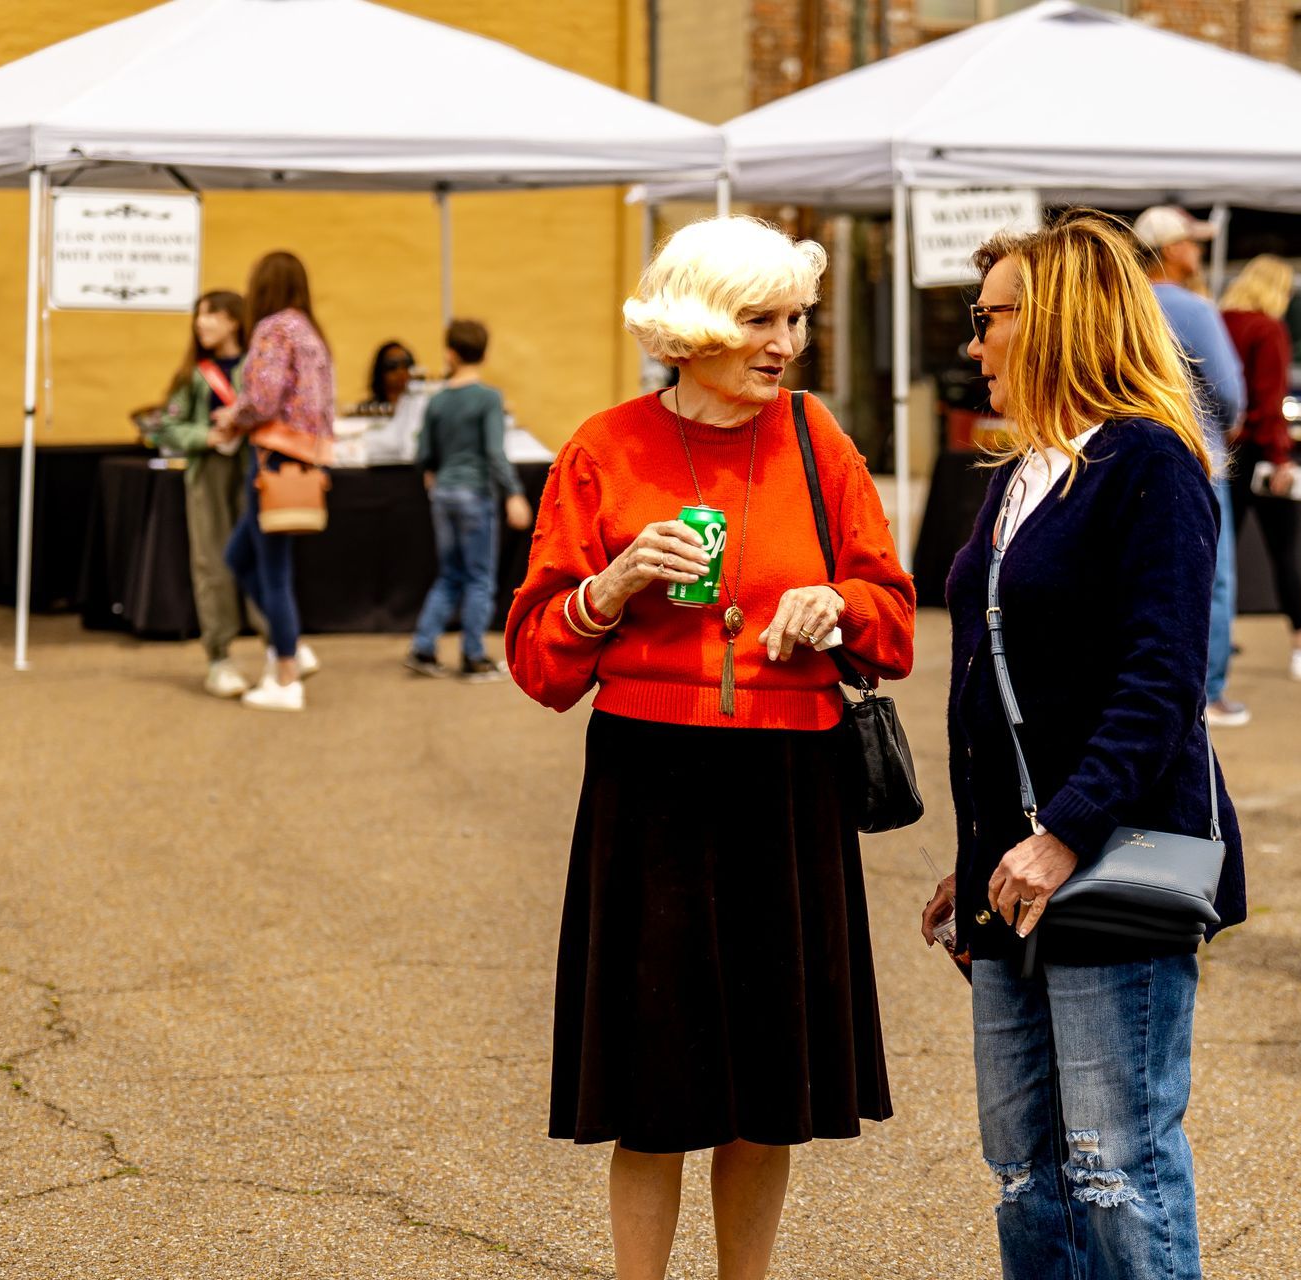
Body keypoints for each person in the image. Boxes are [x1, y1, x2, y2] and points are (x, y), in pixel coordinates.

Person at [506, 215, 915, 1280]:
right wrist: (612, 586)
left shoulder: (819, 437)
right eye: (759, 319)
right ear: (694, 329)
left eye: (797, 319)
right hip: (652, 777)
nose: (786, 342)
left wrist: (836, 602)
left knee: (768, 1088)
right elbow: (539, 661)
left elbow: (897, 615)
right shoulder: (604, 447)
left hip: (792, 776)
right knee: (655, 1088)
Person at [922, 210, 1244, 1280]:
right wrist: (978, 849)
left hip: (1111, 853)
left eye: (989, 319)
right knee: (1026, 1168)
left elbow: (1163, 683)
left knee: (1114, 1166)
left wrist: (1058, 832)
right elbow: (999, 684)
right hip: (1013, 869)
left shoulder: (1150, 464)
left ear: (1054, 321)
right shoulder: (1020, 474)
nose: (974, 345)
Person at [1134, 205, 1249, 727]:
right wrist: (1228, 422)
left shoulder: (1122, 301)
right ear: (1174, 248)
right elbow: (1228, 390)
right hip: (1196, 453)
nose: (1198, 252)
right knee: (1213, 578)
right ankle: (1210, 691)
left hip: (1127, 451)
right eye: (1193, 242)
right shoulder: (1195, 308)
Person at [1220, 255, 1301, 682]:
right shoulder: (1267, 328)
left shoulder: (1221, 321)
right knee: (1284, 552)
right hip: (1260, 452)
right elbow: (1270, 401)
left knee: (1220, 552)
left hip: (1223, 452)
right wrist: (1281, 458)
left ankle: (1215, 634)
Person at [212, 251, 333, 712]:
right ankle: (293, 645)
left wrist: (231, 416)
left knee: (270, 570)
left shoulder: (272, 329)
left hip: (270, 459)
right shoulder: (310, 332)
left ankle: (286, 673)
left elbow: (261, 398)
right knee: (240, 557)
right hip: (301, 459)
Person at [144, 289, 266, 698]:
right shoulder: (194, 375)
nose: (202, 323)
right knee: (212, 561)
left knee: (264, 556)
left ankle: (278, 648)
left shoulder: (258, 367)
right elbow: (167, 427)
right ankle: (220, 657)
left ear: (234, 320)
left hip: (253, 470)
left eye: (211, 315)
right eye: (199, 316)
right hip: (209, 474)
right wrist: (206, 435)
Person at [404, 319, 534, 681]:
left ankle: (424, 647)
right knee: (479, 578)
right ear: (485, 353)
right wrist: (514, 493)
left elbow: (424, 453)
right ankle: (473, 656)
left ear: (450, 353)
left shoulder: (438, 401)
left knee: (449, 575)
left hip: (443, 493)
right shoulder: (489, 398)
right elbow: (494, 451)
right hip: (475, 493)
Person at [365, 339, 416, 413]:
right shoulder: (369, 411)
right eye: (392, 365)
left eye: (406, 364)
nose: (400, 371)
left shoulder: (423, 409)